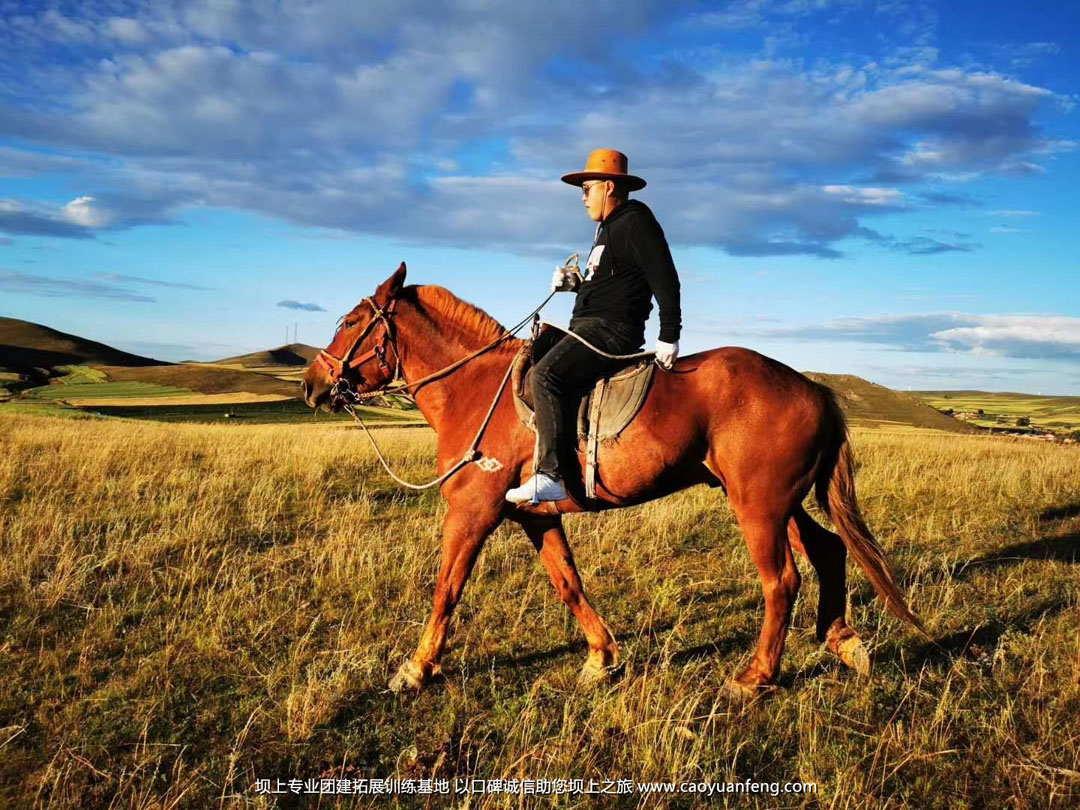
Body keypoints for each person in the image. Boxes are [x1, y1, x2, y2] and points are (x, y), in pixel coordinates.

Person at [506, 149, 682, 505]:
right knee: (532, 353)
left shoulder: (636, 222)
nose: (583, 197)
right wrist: (576, 284)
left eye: (587, 188)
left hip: (611, 330)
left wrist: (669, 334)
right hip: (590, 323)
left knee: (545, 376)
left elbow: (665, 277)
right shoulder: (608, 229)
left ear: (609, 187)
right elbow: (610, 282)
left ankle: (551, 475)